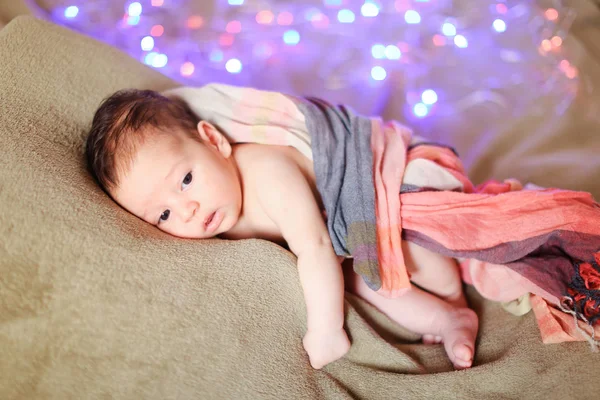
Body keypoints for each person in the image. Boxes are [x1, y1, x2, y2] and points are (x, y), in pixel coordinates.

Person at [85, 88, 479, 370]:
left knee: (407, 244)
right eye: (163, 216)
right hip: (336, 229)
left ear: (213, 140)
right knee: (358, 277)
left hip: (372, 181)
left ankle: (453, 296)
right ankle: (447, 320)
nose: (187, 209)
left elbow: (316, 245)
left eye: (186, 179)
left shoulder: (266, 174)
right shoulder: (215, 213)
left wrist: (326, 328)